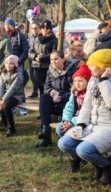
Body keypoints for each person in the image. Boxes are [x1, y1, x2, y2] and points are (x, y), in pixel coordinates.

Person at [57, 49, 111, 183]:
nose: (89, 67)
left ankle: (107, 166)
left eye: (93, 65)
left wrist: (104, 80)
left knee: (83, 150)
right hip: (92, 124)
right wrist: (81, 125)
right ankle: (97, 164)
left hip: (108, 127)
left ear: (103, 66)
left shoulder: (104, 80)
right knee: (64, 143)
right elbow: (86, 105)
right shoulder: (93, 79)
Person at [37, 51, 76, 147]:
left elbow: (75, 91)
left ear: (63, 59)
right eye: (51, 59)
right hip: (54, 101)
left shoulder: (73, 70)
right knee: (44, 97)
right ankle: (46, 133)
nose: (53, 62)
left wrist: (61, 96)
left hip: (68, 104)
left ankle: (46, 134)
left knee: (46, 103)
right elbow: (46, 87)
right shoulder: (50, 70)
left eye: (56, 59)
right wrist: (51, 92)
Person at [0, 55, 25, 136]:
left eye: (11, 63)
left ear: (15, 64)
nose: (8, 65)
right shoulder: (3, 73)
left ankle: (11, 128)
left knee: (6, 106)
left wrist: (3, 100)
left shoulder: (19, 74)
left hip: (17, 96)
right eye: (7, 63)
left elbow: (13, 89)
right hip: (4, 95)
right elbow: (1, 87)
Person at [56, 64, 90, 138]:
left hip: (83, 121)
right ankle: (68, 139)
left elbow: (85, 113)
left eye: (80, 81)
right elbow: (69, 107)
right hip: (72, 119)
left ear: (88, 81)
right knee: (60, 128)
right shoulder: (75, 93)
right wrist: (66, 120)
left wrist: (71, 123)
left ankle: (73, 142)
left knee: (70, 130)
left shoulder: (89, 94)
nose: (77, 83)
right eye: (75, 81)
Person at [28, 20, 58, 98]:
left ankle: (45, 102)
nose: (45, 29)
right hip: (36, 66)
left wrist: (42, 57)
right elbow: (30, 52)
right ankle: (42, 101)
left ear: (50, 29)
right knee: (39, 85)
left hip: (47, 66)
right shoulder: (35, 39)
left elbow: (54, 53)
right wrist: (35, 57)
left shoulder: (53, 39)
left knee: (47, 86)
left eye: (47, 27)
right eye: (43, 27)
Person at [28, 22, 41, 98]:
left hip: (38, 60)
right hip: (31, 59)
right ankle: (35, 91)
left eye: (36, 28)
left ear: (39, 29)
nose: (34, 30)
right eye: (32, 28)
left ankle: (38, 91)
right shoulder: (31, 38)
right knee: (32, 76)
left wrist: (36, 56)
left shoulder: (40, 38)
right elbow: (30, 49)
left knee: (37, 77)